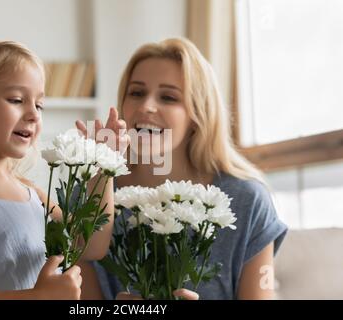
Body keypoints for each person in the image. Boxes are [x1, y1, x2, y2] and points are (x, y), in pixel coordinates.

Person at [76, 37, 288, 300]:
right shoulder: (92, 193)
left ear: (197, 114)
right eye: (137, 93)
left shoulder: (248, 201)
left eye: (168, 97)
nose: (146, 107)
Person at [0, 40, 123, 299]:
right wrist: (39, 297)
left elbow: (90, 244)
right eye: (17, 100)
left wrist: (104, 164)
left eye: (39, 105)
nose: (33, 114)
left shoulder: (30, 192)